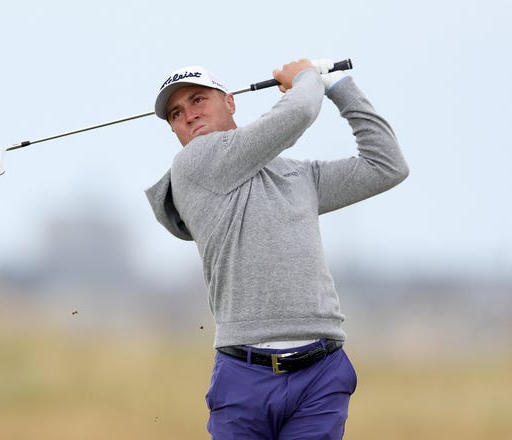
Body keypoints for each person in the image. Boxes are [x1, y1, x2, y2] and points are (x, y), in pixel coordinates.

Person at [145, 58, 409, 439]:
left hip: (320, 371)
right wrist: (306, 76)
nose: (188, 115)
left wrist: (340, 86)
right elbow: (299, 109)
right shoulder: (193, 165)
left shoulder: (298, 175)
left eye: (198, 100)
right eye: (176, 113)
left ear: (230, 102)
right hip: (244, 374)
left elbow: (387, 165)